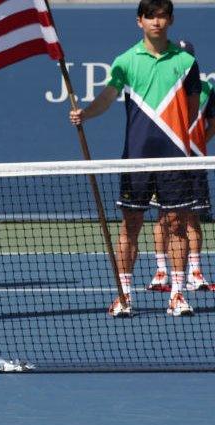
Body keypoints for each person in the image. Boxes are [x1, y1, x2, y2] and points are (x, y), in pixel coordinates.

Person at [70, 0, 201, 317]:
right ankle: (124, 295)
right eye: (150, 16)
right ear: (139, 21)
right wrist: (85, 114)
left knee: (177, 227)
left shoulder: (186, 62)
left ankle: (178, 294)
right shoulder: (125, 61)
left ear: (170, 20)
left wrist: (175, 133)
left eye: (162, 16)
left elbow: (194, 107)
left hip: (174, 158)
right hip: (136, 159)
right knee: (131, 226)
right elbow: (107, 97)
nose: (157, 22)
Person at [149, 39, 214, 294]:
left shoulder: (207, 88)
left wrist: (194, 145)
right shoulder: (163, 87)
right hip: (165, 160)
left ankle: (195, 273)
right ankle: (161, 271)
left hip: (194, 161)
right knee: (163, 218)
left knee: (192, 219)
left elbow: (213, 124)